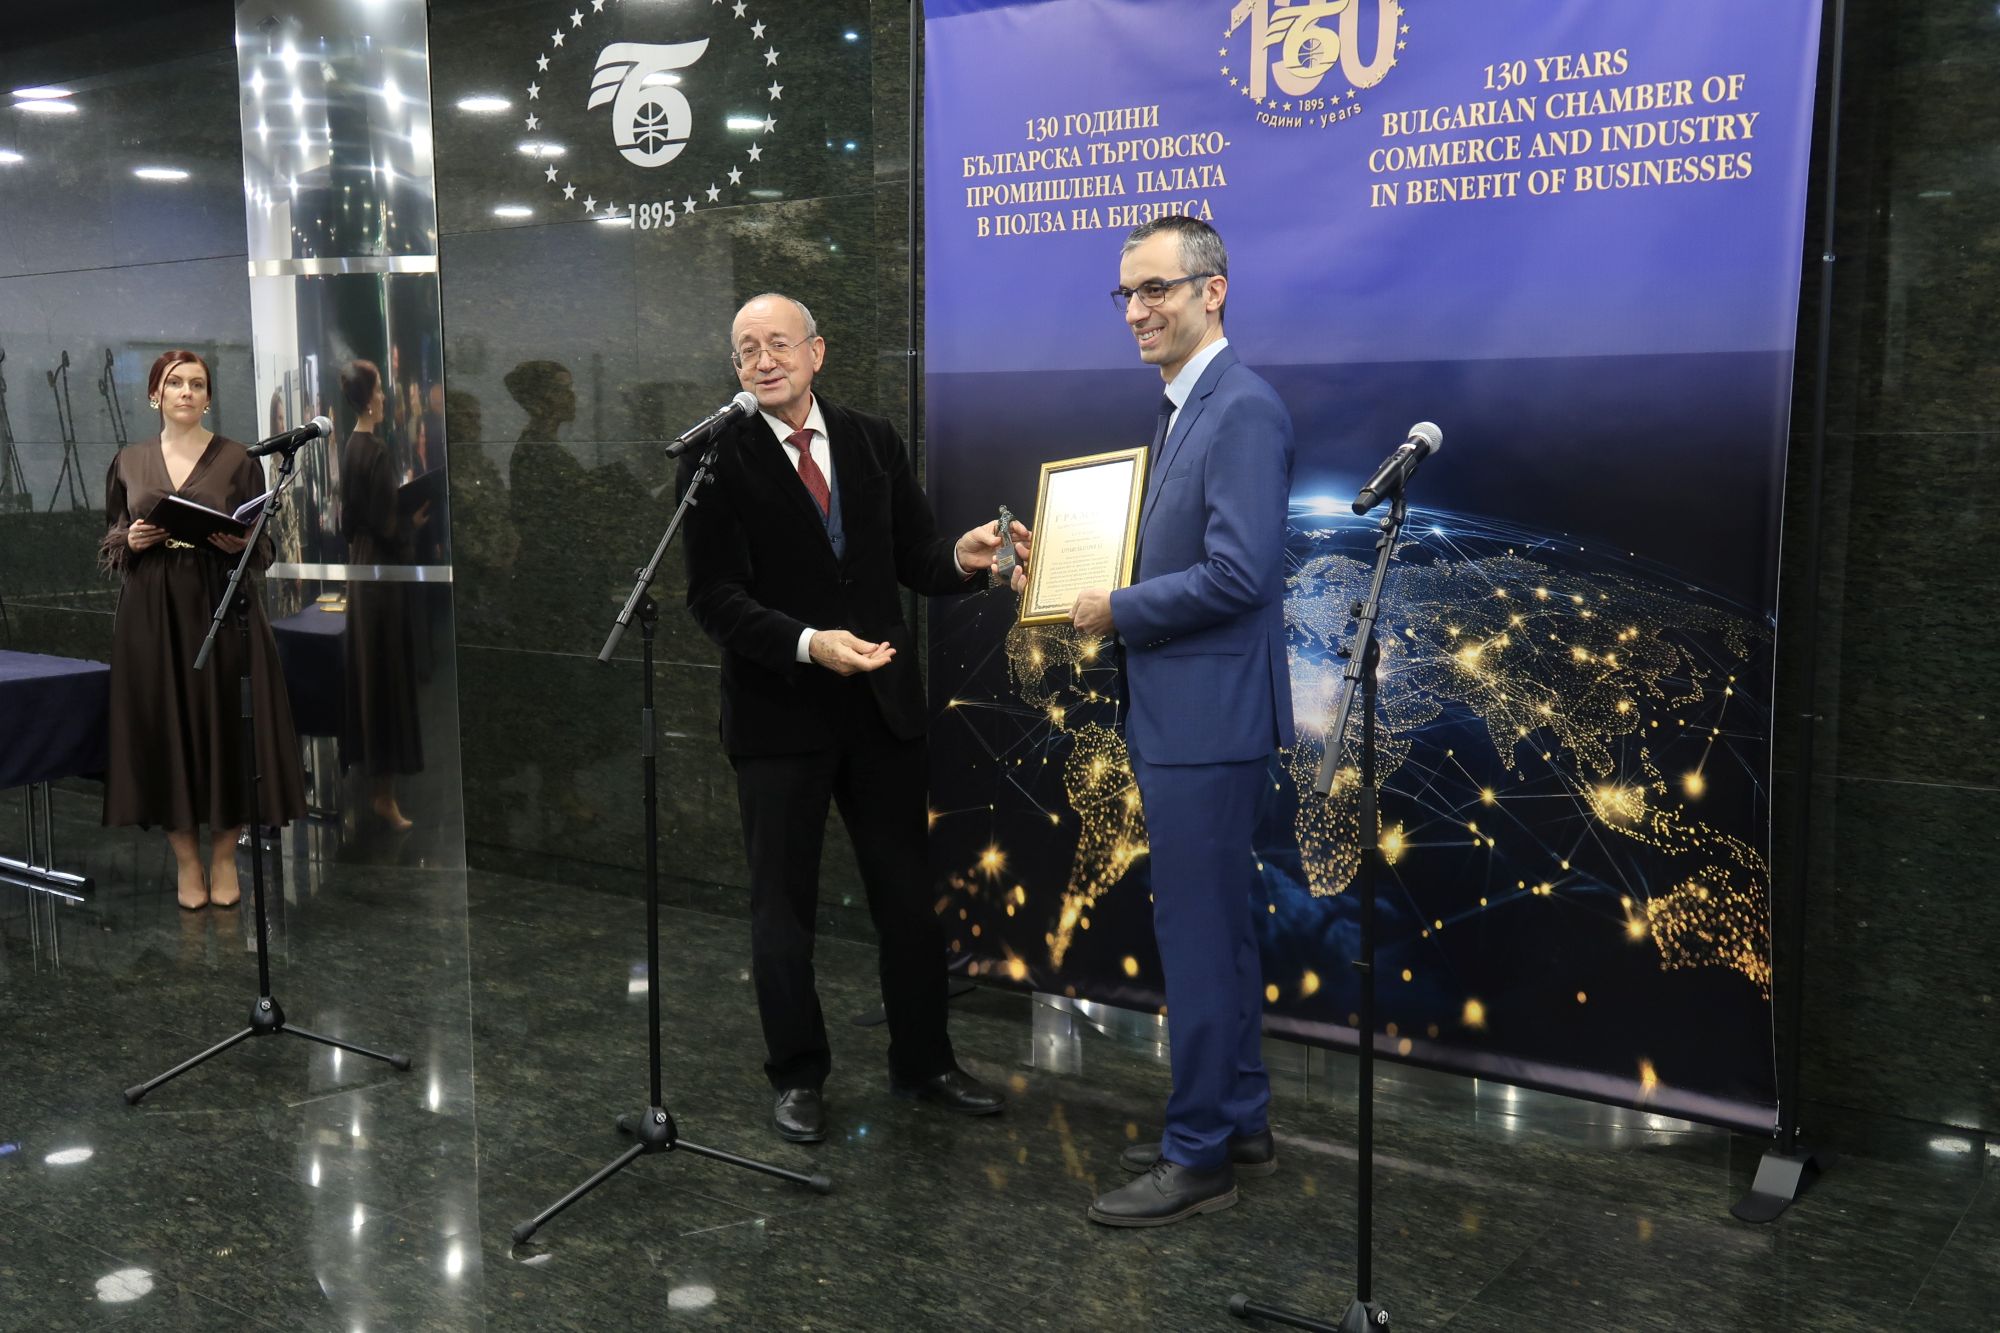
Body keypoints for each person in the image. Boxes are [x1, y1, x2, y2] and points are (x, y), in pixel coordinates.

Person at [679, 292, 1019, 1144]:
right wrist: (806, 644)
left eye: (778, 344)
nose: (763, 360)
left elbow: (916, 558)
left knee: (906, 897)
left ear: (817, 352)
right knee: (781, 908)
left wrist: (964, 559)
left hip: (879, 710)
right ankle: (797, 1074)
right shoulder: (714, 457)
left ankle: (925, 1060)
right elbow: (713, 597)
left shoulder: (871, 440)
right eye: (747, 349)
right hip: (777, 716)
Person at [1050, 217, 1295, 1226]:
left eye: (1156, 289)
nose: (1137, 311)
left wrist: (1116, 607)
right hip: (1189, 715)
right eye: (1127, 294)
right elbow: (1179, 551)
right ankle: (1239, 1119)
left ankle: (1196, 1155)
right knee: (1219, 933)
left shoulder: (1240, 407)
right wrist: (1069, 580)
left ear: (1212, 290)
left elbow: (1239, 574)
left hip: (1207, 722)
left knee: (1195, 941)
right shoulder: (1186, 404)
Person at [100, 349, 308, 909]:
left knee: (226, 725)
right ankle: (187, 863)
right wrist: (131, 540)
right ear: (155, 395)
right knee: (161, 726)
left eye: (197, 383)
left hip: (222, 601)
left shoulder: (239, 460)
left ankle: (222, 857)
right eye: (175, 383)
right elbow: (112, 538)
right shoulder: (128, 460)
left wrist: (240, 544)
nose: (187, 392)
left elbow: (265, 545)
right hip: (152, 612)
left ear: (209, 397)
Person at [337, 359, 428, 830]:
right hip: (380, 575)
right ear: (369, 398)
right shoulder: (373, 449)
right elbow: (385, 522)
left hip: (363, 567)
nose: (385, 397)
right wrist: (411, 521)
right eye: (379, 390)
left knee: (371, 671)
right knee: (384, 672)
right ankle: (382, 795)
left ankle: (377, 789)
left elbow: (351, 519)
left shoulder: (351, 446)